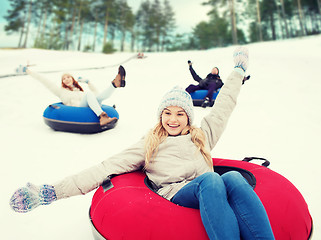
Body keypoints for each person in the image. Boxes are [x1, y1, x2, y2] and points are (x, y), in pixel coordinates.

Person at [9, 47, 275, 240]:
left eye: (180, 113)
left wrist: (239, 70)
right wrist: (52, 191)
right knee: (213, 180)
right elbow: (105, 167)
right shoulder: (150, 142)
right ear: (160, 115)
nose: (173, 119)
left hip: (210, 191)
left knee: (234, 180)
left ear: (188, 117)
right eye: (167, 113)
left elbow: (225, 105)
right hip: (176, 194)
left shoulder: (202, 134)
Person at [20, 65, 126, 126]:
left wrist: (89, 83)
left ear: (72, 79)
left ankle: (115, 84)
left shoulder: (79, 91)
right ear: (62, 82)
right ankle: (102, 117)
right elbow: (45, 81)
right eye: (64, 78)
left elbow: (97, 96)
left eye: (68, 77)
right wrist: (29, 71)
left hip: (88, 107)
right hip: (77, 110)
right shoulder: (60, 91)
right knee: (89, 95)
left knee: (97, 97)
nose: (66, 79)